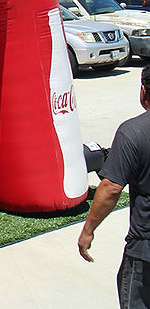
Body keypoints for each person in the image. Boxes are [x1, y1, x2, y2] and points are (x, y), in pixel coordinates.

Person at [79, 65, 150, 308]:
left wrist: (88, 230)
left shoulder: (133, 133)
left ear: (143, 92)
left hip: (145, 251)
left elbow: (111, 189)